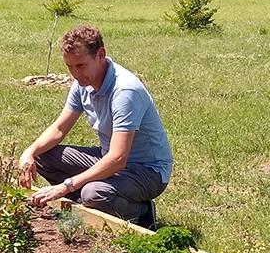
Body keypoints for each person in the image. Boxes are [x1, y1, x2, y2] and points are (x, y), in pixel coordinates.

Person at [18, 24, 172, 228]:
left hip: (147, 171)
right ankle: (86, 203)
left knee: (93, 193)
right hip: (108, 157)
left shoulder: (125, 91)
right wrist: (28, 153)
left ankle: (143, 212)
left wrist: (65, 186)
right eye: (69, 67)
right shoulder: (82, 84)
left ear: (100, 55)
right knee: (42, 156)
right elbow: (59, 129)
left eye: (80, 65)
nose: (75, 73)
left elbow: (118, 159)